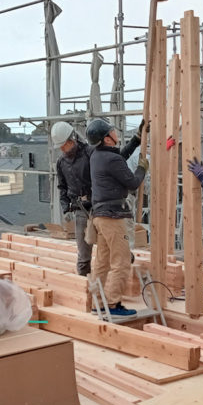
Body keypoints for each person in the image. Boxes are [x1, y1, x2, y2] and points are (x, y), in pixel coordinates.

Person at [87, 117, 146, 317]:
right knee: (121, 261)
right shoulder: (111, 160)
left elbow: (120, 157)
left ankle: (97, 303)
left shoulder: (97, 155)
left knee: (102, 263)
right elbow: (133, 182)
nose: (115, 132)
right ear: (107, 139)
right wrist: (142, 169)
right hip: (113, 217)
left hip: (100, 216)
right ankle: (113, 305)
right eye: (111, 131)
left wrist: (137, 139)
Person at [51, 121, 95, 276]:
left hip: (98, 206)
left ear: (73, 139)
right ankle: (83, 283)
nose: (63, 149)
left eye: (65, 145)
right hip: (80, 208)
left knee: (108, 246)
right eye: (61, 147)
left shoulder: (90, 153)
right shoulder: (61, 162)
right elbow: (62, 187)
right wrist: (66, 208)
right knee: (83, 252)